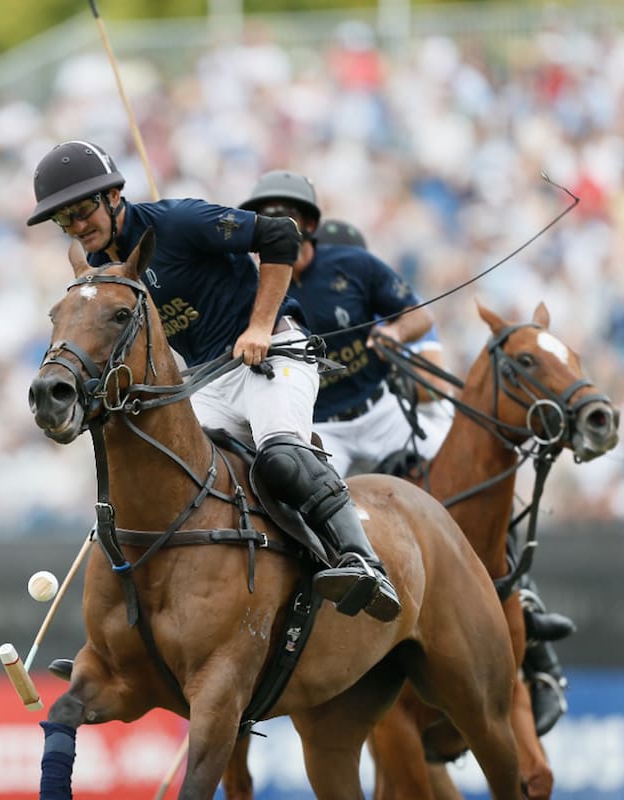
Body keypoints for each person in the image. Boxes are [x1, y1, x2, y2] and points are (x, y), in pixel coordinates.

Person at [27, 140, 401, 625]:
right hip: (209, 380)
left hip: (275, 355)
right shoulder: (101, 277)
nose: (78, 226)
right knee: (160, 475)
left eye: (83, 210)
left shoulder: (180, 221)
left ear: (114, 196)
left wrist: (261, 325)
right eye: (65, 220)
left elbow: (281, 237)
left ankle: (363, 562)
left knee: (281, 456)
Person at [306, 212, 575, 735]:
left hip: (394, 428)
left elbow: (434, 383)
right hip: (331, 439)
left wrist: (396, 363)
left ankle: (533, 632)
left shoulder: (378, 307)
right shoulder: (294, 312)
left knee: (481, 483)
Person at [238, 171, 443, 478]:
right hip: (319, 430)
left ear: (309, 224)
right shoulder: (247, 289)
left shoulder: (353, 263)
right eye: (265, 217)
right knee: (306, 507)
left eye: (286, 215)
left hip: (382, 412)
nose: (276, 224)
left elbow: (421, 316)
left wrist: (395, 331)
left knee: (458, 473)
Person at [312, 217, 458, 470]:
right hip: (330, 429)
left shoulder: (398, 307)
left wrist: (387, 368)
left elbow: (436, 388)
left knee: (457, 476)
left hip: (409, 419)